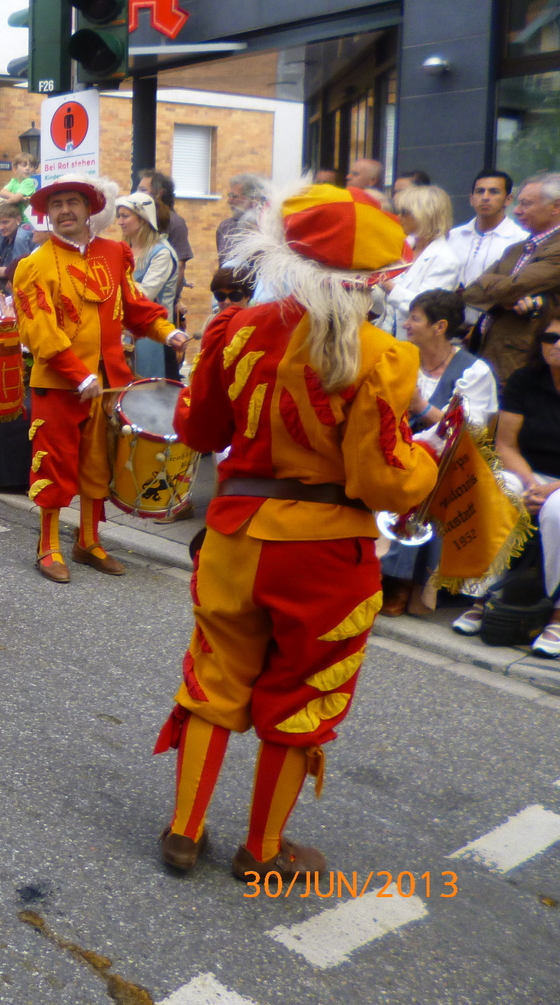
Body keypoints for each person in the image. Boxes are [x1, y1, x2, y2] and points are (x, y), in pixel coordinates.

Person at [155, 182, 436, 881]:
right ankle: (263, 852)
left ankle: (184, 831)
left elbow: (197, 430)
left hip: (236, 534)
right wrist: (431, 465)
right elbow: (386, 482)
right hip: (323, 552)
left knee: (215, 676)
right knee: (303, 696)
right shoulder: (383, 357)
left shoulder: (233, 329)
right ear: (370, 280)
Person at [14, 177, 186, 583]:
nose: (64, 211)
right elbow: (39, 330)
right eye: (56, 205)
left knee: (99, 464)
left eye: (72, 202)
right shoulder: (33, 264)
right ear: (48, 213)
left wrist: (167, 332)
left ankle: (88, 541)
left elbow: (135, 306)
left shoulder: (113, 253)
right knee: (54, 465)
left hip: (108, 381)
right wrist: (76, 374)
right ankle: (48, 545)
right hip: (58, 383)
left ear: (89, 209)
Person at [379, 290, 499, 617]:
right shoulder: (402, 356)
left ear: (440, 326)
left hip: (451, 459)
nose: (405, 324)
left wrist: (421, 406)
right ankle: (364, 568)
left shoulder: (473, 371)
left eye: (414, 318)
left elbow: (469, 434)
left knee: (421, 472)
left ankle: (399, 580)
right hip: (398, 445)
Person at [453, 305, 560, 650]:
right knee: (498, 490)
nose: (556, 345)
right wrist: (531, 485)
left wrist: (548, 490)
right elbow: (505, 444)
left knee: (557, 512)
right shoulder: (524, 379)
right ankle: (483, 599)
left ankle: (558, 614)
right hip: (528, 471)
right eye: (550, 337)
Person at [463, 172, 560, 386]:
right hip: (486, 350)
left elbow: (511, 289)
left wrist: (499, 288)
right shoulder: (517, 248)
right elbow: (471, 291)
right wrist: (507, 295)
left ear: (556, 207)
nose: (517, 211)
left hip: (519, 361)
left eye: (525, 204)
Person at [115, 191, 180, 380]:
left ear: (143, 219)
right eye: (119, 216)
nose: (120, 221)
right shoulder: (122, 247)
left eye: (125, 216)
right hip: (126, 332)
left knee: (148, 389)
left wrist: (116, 283)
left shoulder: (162, 252)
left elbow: (146, 294)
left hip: (153, 333)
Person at [447, 170, 526, 318]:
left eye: (494, 192)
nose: (485, 197)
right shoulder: (452, 236)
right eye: (480, 192)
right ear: (471, 199)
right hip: (449, 323)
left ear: (508, 199)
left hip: (493, 324)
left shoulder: (520, 240)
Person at [382, 185, 458, 336]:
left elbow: (426, 310)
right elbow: (385, 307)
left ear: (424, 215)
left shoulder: (445, 259)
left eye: (405, 212)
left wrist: (387, 285)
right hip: (388, 337)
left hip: (417, 346)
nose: (399, 217)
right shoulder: (403, 248)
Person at [137, 168, 192, 309]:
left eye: (142, 190)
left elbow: (179, 265)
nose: (137, 194)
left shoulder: (175, 222)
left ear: (159, 193)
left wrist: (174, 300)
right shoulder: (142, 220)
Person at [216, 173, 268, 263]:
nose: (229, 201)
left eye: (234, 196)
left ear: (254, 199)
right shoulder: (225, 227)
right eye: (229, 196)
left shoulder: (269, 228)